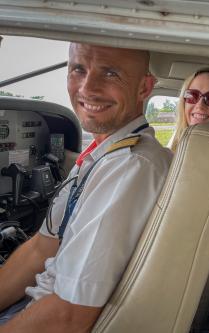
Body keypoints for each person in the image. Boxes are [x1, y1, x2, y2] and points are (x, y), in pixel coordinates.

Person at [0, 43, 172, 332]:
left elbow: (68, 315)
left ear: (144, 88)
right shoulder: (104, 155)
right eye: (78, 69)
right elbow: (40, 250)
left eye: (111, 73)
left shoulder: (130, 166)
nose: (87, 88)